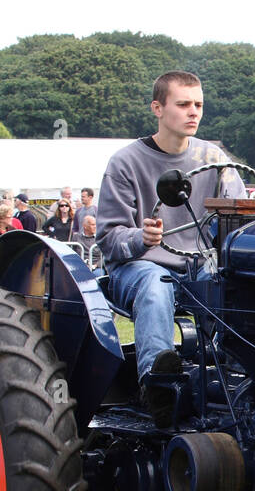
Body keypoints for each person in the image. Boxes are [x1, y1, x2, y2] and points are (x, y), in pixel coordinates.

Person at [96, 69, 245, 415]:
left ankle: (239, 374)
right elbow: (108, 238)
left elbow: (236, 217)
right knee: (155, 284)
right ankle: (158, 386)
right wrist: (140, 237)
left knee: (233, 283)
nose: (193, 112)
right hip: (138, 267)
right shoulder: (125, 163)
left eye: (199, 104)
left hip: (196, 267)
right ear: (157, 108)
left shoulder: (215, 160)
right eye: (183, 104)